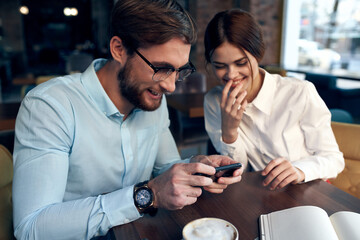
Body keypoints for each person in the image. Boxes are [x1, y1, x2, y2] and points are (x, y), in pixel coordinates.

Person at [12, 1, 243, 239]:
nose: (171, 86)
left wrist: (197, 166)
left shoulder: (153, 97)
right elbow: (31, 227)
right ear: (119, 49)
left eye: (178, 71)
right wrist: (148, 195)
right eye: (161, 68)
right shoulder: (51, 106)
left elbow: (166, 166)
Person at [203, 9, 344, 191]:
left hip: (308, 189)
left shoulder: (300, 92)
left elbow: (334, 159)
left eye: (241, 63)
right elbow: (238, 170)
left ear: (258, 54)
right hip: (261, 193)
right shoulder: (214, 102)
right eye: (220, 66)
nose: (231, 74)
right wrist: (230, 131)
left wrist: (299, 170)